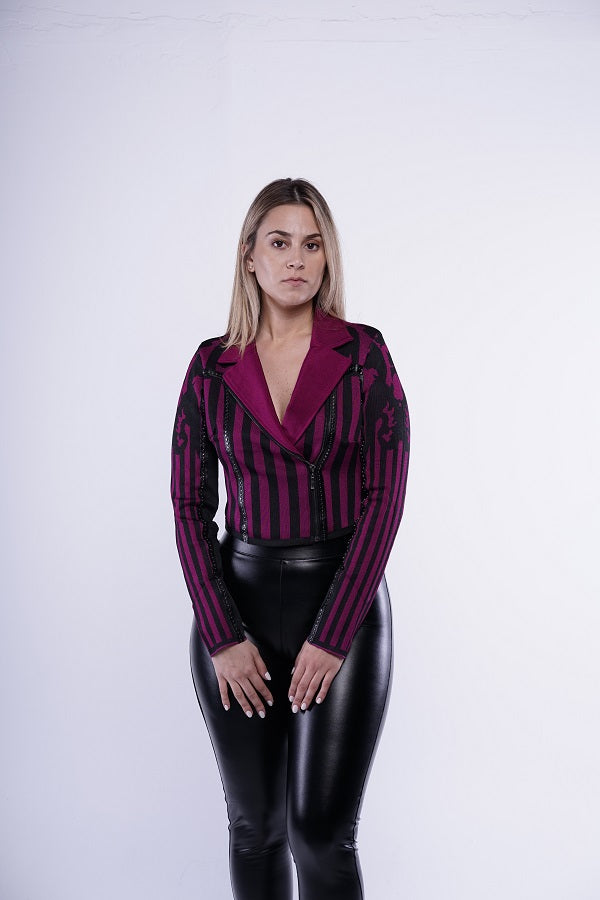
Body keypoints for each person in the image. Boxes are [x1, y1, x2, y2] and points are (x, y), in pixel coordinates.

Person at [170, 177, 410, 900]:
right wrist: (222, 635)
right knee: (255, 829)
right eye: (279, 243)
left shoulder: (364, 355)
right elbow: (189, 505)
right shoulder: (211, 366)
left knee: (320, 835)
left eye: (312, 245)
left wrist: (332, 635)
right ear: (250, 255)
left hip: (344, 605)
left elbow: (385, 499)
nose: (296, 260)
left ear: (328, 258)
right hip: (237, 609)